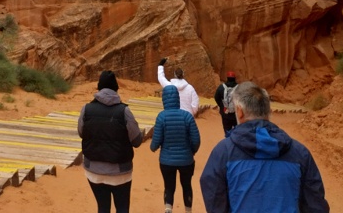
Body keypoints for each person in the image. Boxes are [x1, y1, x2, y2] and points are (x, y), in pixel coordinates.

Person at [200, 81, 329, 213]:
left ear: (239, 112)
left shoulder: (223, 153)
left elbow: (214, 197)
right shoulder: (300, 153)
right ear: (269, 111)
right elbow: (316, 204)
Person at [78, 70, 143, 213]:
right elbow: (136, 141)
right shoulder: (124, 111)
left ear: (99, 87)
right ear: (116, 88)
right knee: (122, 208)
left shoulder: (86, 109)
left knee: (102, 207)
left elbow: (81, 133)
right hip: (120, 172)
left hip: (94, 171)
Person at [150, 84, 201, 213]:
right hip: (186, 160)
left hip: (166, 160)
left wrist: (153, 147)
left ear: (164, 99)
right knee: (187, 185)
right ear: (177, 98)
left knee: (169, 187)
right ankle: (188, 210)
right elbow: (196, 140)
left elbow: (156, 141)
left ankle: (168, 209)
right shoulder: (187, 116)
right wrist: (191, 151)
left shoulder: (161, 117)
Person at [214, 71, 238, 135]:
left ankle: (228, 141)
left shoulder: (221, 87)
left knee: (227, 130)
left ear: (227, 78)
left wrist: (221, 106)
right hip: (236, 114)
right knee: (237, 131)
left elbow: (216, 97)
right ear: (234, 78)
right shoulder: (239, 88)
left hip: (225, 114)